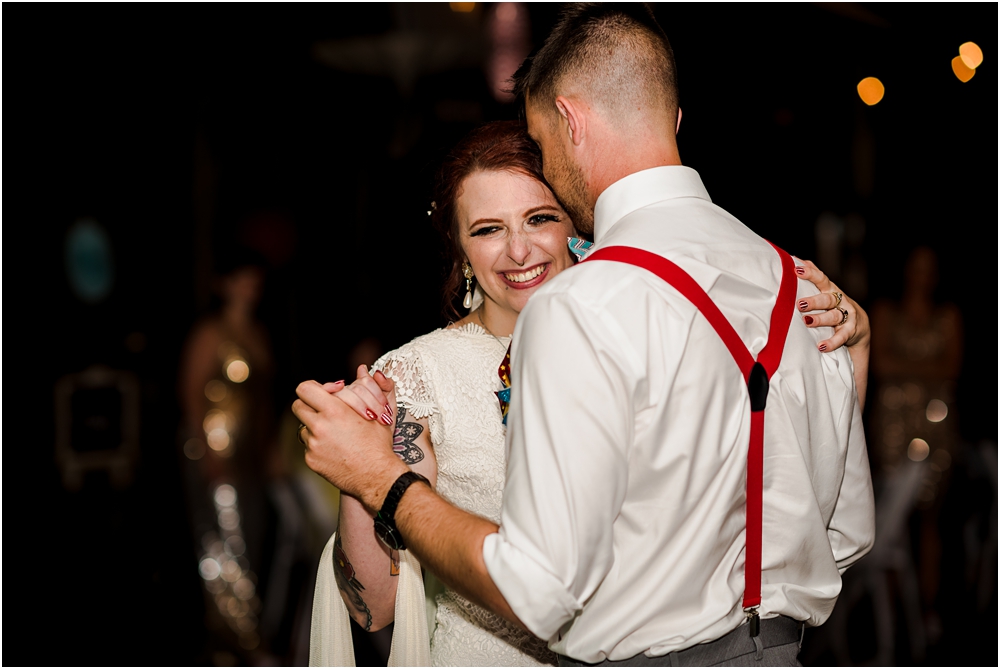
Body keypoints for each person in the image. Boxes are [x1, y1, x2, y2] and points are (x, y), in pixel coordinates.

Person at [297, 7, 875, 664]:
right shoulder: (783, 280)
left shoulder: (586, 310)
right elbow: (843, 532)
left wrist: (384, 480)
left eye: (540, 213)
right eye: (486, 229)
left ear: (570, 127)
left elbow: (539, 589)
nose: (518, 249)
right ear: (458, 247)